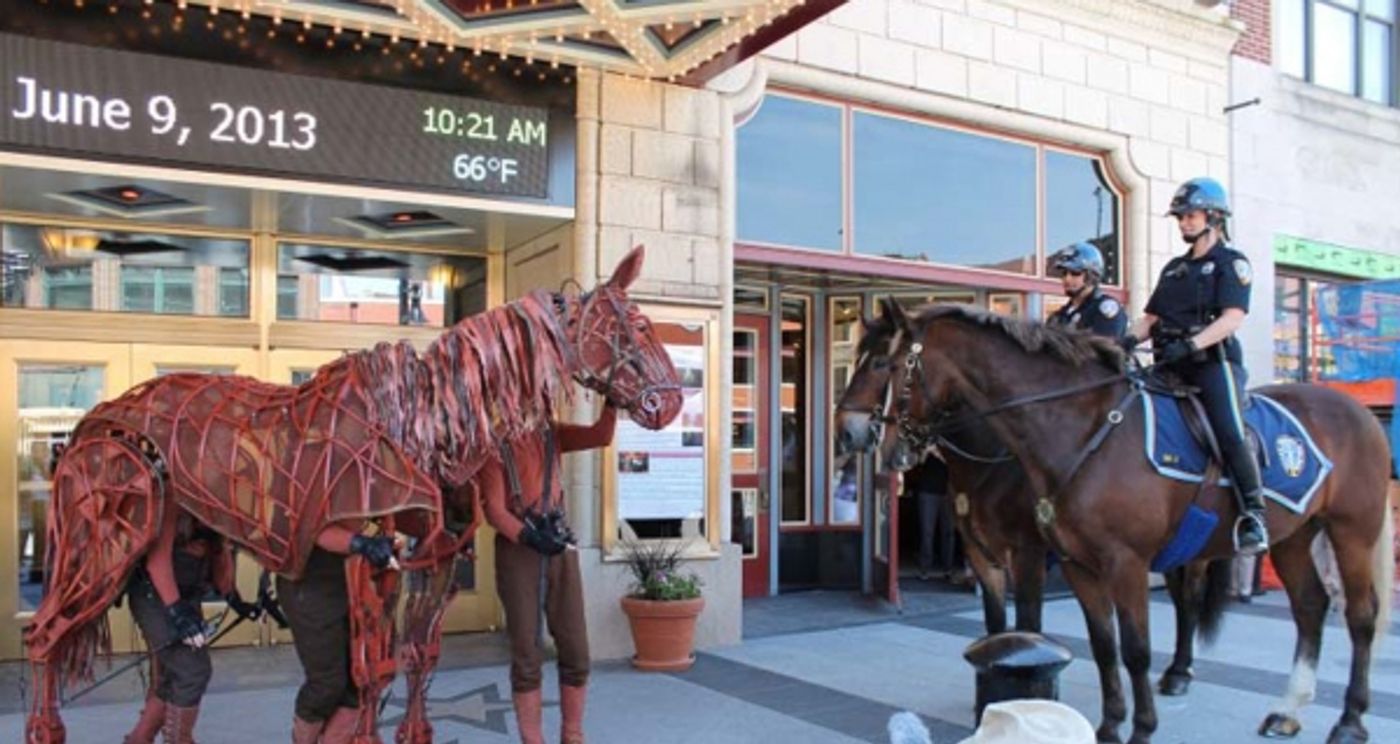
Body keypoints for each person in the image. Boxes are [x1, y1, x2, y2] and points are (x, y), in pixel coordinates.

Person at [1120, 177, 1268, 555]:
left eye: (1190, 215)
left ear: (1214, 217)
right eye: (1180, 217)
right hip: (1168, 363)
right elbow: (1150, 318)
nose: (1184, 222)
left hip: (1210, 363)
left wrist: (1190, 345)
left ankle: (1253, 512)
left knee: (1230, 430)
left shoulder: (1231, 263)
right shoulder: (1173, 269)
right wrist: (1127, 339)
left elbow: (1232, 318)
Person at [479, 402, 618, 744]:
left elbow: (601, 435)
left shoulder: (552, 434)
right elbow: (495, 511)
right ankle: (533, 740)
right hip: (519, 551)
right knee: (526, 650)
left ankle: (573, 733)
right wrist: (527, 536)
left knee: (576, 647)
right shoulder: (493, 447)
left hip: (558, 546)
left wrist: (612, 401)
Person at [124, 514, 259, 744]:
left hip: (186, 599)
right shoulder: (172, 499)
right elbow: (158, 562)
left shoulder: (213, 501)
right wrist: (177, 612)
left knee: (169, 677)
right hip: (154, 596)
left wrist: (235, 600)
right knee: (192, 671)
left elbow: (217, 556)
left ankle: (138, 740)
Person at [278, 525, 399, 743]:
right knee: (327, 682)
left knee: (358, 681)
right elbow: (309, 525)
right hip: (309, 586)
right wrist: (361, 544)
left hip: (349, 583)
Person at [1047, 242, 1127, 338]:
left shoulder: (1104, 310)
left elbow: (1104, 349)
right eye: (1064, 273)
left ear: (1091, 276)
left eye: (1075, 273)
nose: (1067, 279)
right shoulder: (1057, 317)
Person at [908, 449, 954, 583]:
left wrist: (939, 454)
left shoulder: (950, 444)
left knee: (948, 532)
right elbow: (917, 463)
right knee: (927, 532)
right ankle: (924, 569)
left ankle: (948, 569)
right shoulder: (927, 443)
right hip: (927, 491)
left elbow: (954, 464)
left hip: (948, 492)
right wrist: (925, 452)